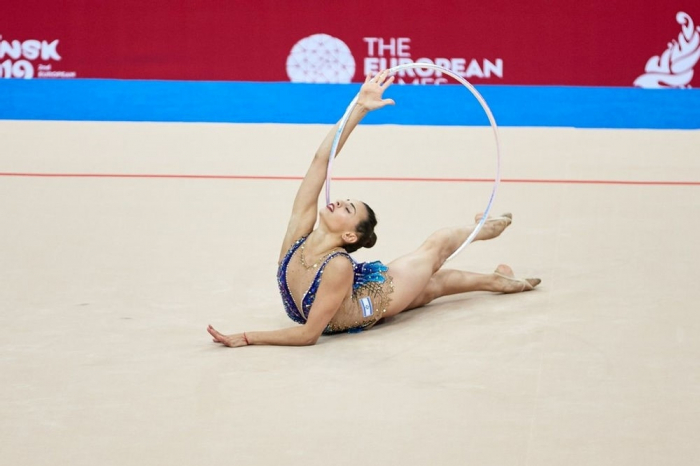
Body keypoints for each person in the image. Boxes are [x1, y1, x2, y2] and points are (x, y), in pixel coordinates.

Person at [207, 69, 540, 348]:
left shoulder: (337, 266)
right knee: (435, 285)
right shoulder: (298, 235)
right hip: (354, 301)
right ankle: (499, 281)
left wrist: (247, 337)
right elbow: (320, 161)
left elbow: (308, 335)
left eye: (348, 208)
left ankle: (488, 228)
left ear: (350, 233)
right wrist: (358, 110)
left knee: (436, 246)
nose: (338, 201)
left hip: (380, 295)